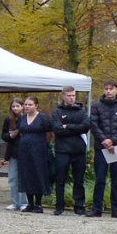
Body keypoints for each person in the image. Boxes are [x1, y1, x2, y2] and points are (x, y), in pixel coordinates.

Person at [89, 79, 117, 218]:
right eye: (106, 88)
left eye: (111, 88)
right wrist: (105, 141)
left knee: (116, 180)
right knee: (100, 179)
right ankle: (96, 208)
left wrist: (113, 140)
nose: (108, 91)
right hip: (101, 148)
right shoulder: (96, 106)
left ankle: (116, 209)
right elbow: (94, 125)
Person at [50, 87, 90, 216]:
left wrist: (67, 126)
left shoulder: (81, 111)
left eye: (73, 95)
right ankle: (59, 205)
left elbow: (85, 127)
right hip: (63, 150)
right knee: (60, 179)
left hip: (79, 151)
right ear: (63, 96)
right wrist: (75, 128)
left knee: (79, 180)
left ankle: (79, 206)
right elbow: (57, 129)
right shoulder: (57, 111)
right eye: (69, 95)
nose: (71, 98)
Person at [14, 96, 53, 213]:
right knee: (26, 174)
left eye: (30, 104)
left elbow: (49, 132)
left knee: (38, 174)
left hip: (39, 149)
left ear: (36, 105)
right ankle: (29, 203)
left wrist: (44, 144)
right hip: (24, 150)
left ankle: (38, 203)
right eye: (25, 104)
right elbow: (20, 131)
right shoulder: (22, 118)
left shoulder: (43, 118)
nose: (27, 107)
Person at [1, 98, 25, 210]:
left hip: (25, 151)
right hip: (13, 151)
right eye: (13, 106)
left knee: (24, 177)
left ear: (22, 106)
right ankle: (15, 202)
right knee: (13, 178)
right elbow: (4, 135)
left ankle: (25, 202)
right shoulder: (8, 120)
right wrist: (10, 135)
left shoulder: (26, 118)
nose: (15, 108)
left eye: (17, 106)